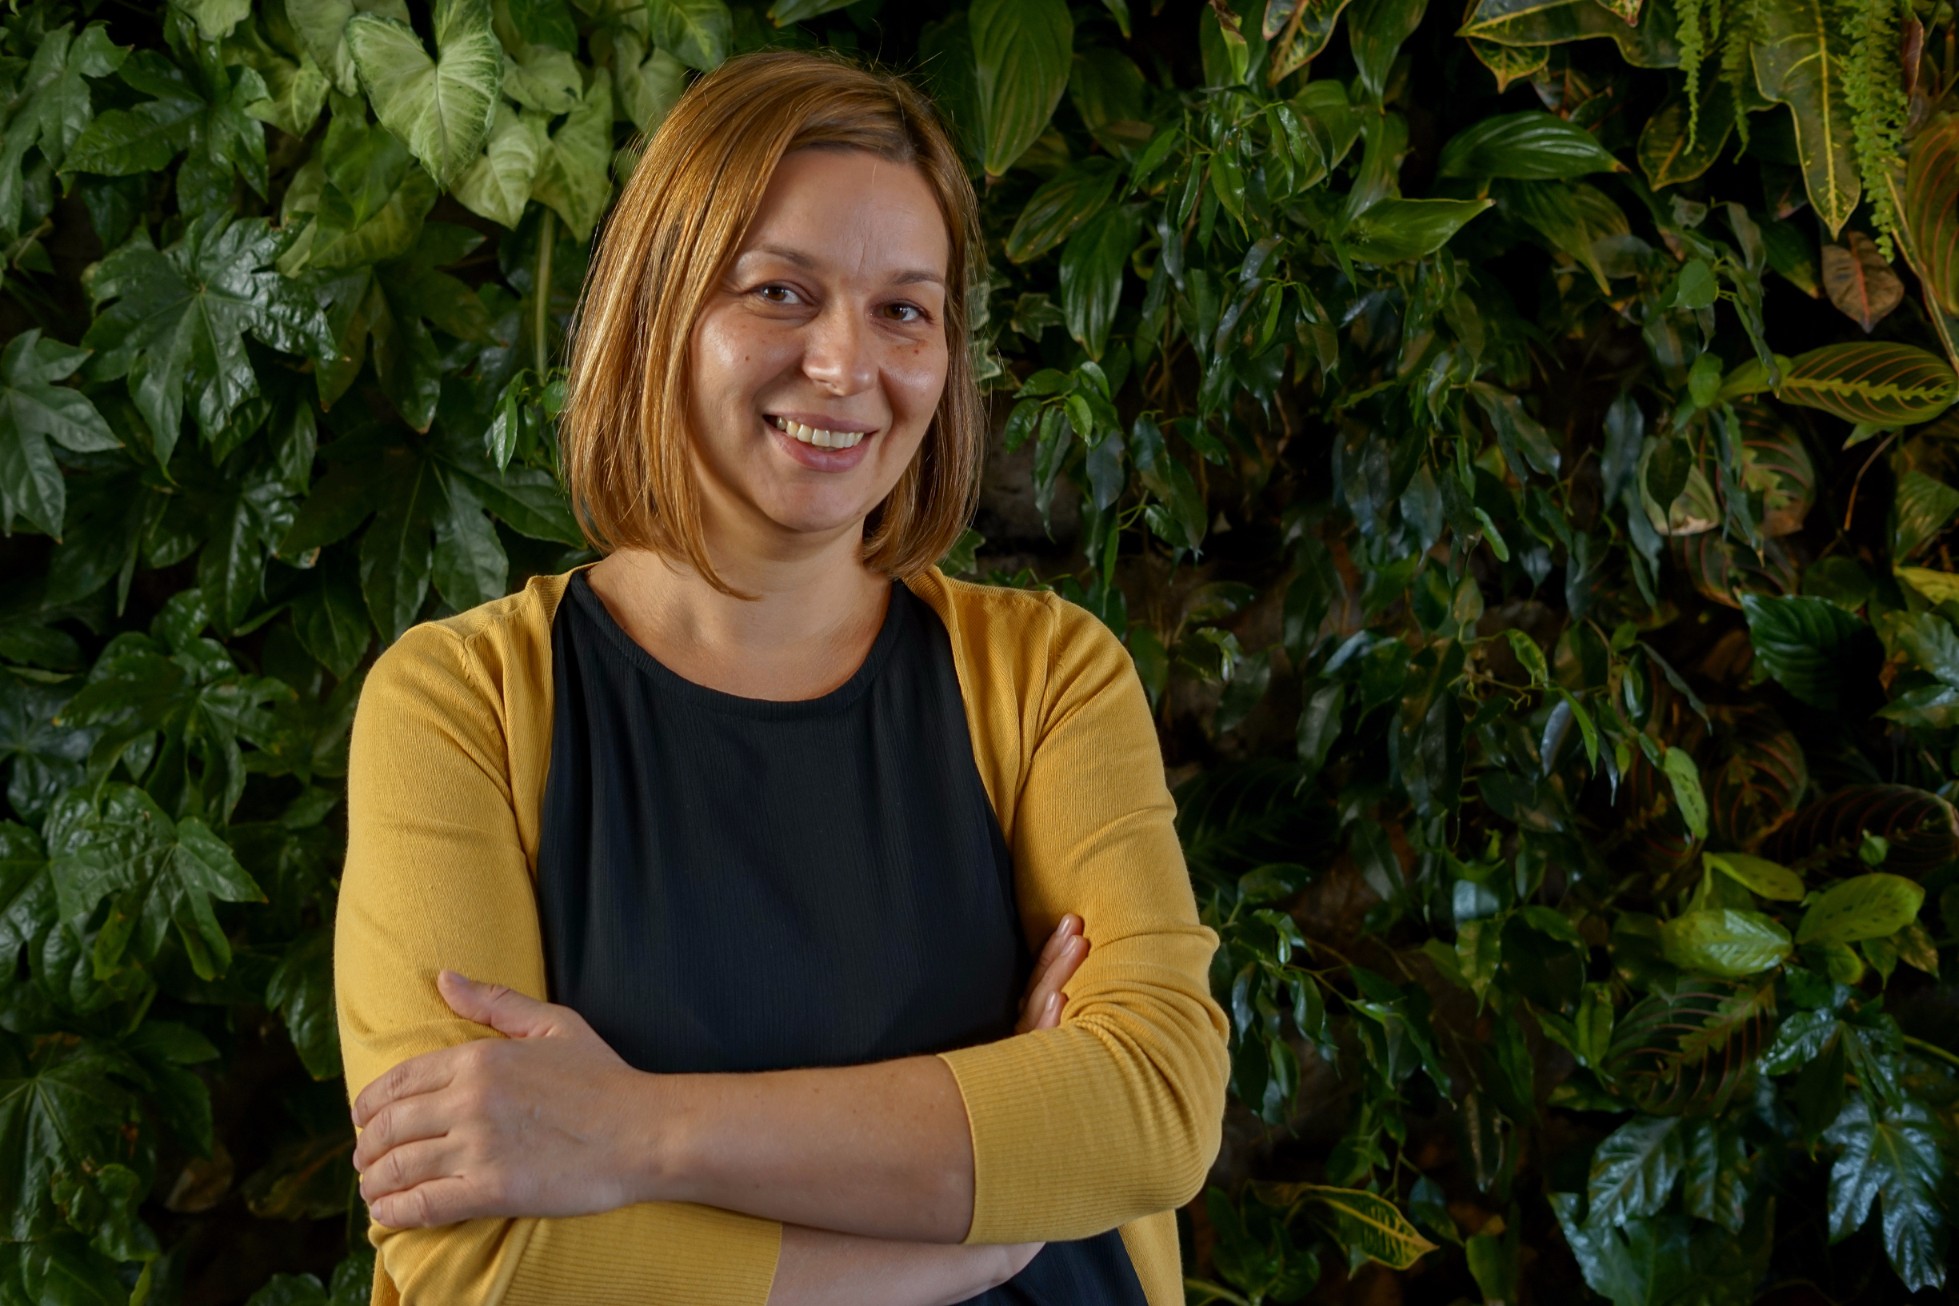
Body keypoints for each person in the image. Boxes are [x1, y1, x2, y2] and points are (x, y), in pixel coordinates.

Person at [333, 48, 1230, 1306]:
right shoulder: (462, 704)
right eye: (780, 292)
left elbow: (1154, 1105)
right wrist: (971, 1240)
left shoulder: (1047, 676)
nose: (848, 366)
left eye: (906, 310)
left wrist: (638, 1131)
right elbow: (476, 1253)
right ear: (657, 309)